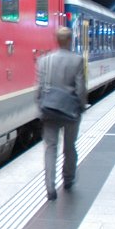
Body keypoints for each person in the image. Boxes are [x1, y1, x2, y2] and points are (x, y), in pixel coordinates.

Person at [36, 26, 87, 200]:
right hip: (71, 111)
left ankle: (50, 187)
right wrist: (82, 106)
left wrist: (40, 106)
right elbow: (80, 89)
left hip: (50, 110)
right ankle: (68, 179)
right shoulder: (77, 60)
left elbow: (39, 88)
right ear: (70, 40)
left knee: (50, 148)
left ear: (56, 40)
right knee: (70, 147)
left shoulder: (44, 60)